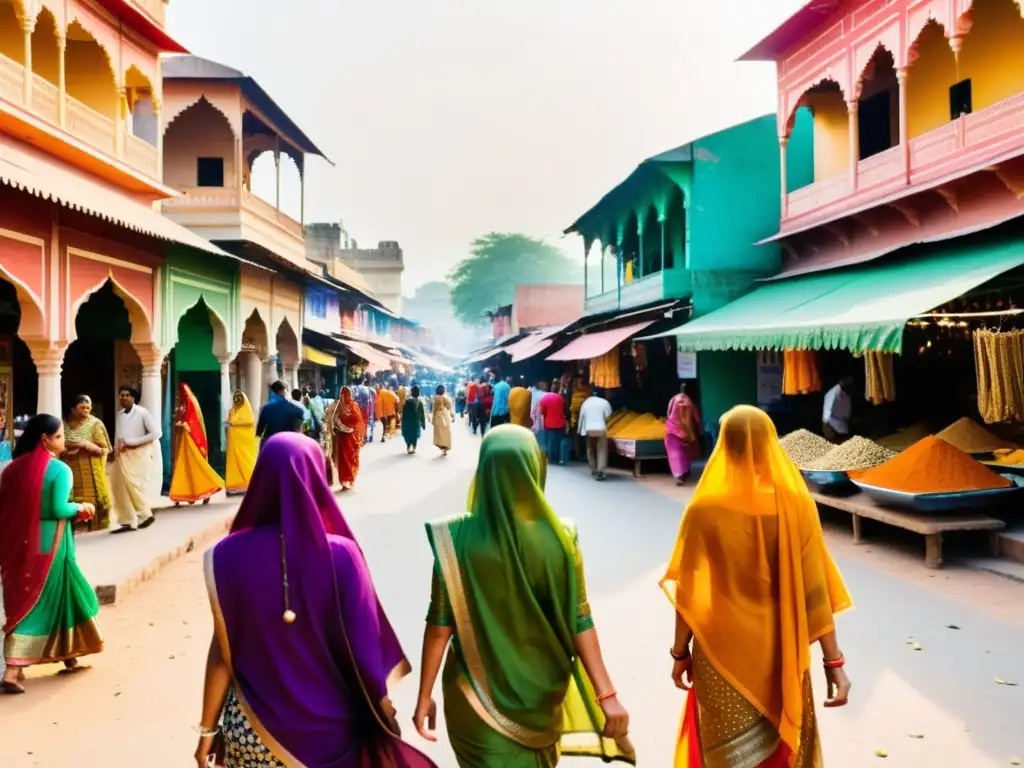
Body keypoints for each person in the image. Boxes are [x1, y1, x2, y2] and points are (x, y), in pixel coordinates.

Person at [194, 433, 435, 768]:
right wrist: (385, 717)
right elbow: (365, 653)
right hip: (332, 737)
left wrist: (207, 729)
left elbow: (223, 648)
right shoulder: (342, 555)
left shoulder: (224, 556)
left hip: (252, 733)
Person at [413, 426, 634, 765]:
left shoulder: (453, 538)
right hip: (542, 698)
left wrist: (424, 695)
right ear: (536, 468)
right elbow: (580, 619)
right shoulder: (561, 539)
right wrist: (607, 695)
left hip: (473, 698)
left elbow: (440, 624)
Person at [662, 406, 853, 766]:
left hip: (720, 658)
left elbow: (689, 596)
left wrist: (679, 654)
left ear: (724, 447)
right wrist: (834, 662)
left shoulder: (704, 509)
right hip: (781, 653)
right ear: (770, 445)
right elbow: (816, 591)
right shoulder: (797, 506)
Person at [1, 415, 103, 693]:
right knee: (42, 599)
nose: (63, 440)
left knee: (42, 595)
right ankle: (13, 668)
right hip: (52, 545)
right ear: (44, 439)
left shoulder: (12, 469)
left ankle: (69, 655)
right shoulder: (59, 470)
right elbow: (58, 509)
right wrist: (82, 507)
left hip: (19, 544)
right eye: (58, 436)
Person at [110, 386, 162, 534]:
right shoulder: (120, 414)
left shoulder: (142, 413)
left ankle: (145, 515)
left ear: (133, 398)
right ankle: (126, 520)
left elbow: (156, 433)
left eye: (127, 395)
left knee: (133, 486)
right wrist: (115, 450)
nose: (123, 398)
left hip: (137, 455)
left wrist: (133, 442)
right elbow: (118, 435)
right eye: (121, 395)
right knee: (118, 487)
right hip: (121, 455)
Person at [169, 383, 225, 506]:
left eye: (180, 392)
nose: (178, 395)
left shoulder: (191, 403)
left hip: (190, 442)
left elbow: (194, 422)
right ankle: (184, 495)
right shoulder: (182, 405)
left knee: (195, 468)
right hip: (182, 441)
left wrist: (184, 425)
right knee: (182, 468)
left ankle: (208, 489)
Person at [62, 395, 112, 530]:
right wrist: (67, 450)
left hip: (90, 471)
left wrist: (87, 446)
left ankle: (94, 529)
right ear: (72, 409)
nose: (86, 410)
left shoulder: (95, 424)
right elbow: (57, 444)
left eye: (88, 408)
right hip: (69, 468)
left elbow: (104, 450)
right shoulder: (63, 424)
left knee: (92, 500)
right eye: (82, 407)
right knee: (70, 499)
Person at [324, 387, 364, 491]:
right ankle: (349, 480)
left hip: (340, 437)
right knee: (350, 458)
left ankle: (344, 482)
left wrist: (341, 428)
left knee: (342, 460)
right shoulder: (353, 405)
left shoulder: (335, 406)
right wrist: (350, 428)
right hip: (351, 437)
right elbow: (358, 420)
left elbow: (329, 419)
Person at [665, 383, 704, 486]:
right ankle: (683, 473)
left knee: (676, 454)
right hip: (684, 431)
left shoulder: (674, 399)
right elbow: (693, 419)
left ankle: (680, 475)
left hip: (672, 430)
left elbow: (668, 413)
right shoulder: (688, 402)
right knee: (684, 453)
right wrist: (696, 431)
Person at [225, 391, 257, 495]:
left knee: (246, 462)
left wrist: (234, 422)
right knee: (234, 463)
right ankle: (236, 484)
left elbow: (249, 421)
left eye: (239, 397)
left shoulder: (247, 411)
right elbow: (229, 421)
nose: (237, 399)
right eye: (235, 397)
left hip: (245, 444)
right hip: (234, 443)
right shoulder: (232, 411)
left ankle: (252, 482)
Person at [578, 388, 613, 481]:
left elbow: (581, 416)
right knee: (601, 450)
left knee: (590, 449)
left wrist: (579, 430)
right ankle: (600, 471)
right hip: (601, 428)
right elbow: (608, 416)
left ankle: (593, 469)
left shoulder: (586, 402)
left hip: (588, 429)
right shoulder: (605, 402)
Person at [255, 381, 304, 448]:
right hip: (288, 445)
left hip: (270, 444)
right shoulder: (297, 410)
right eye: (287, 390)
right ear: (283, 390)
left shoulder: (266, 408)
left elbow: (259, 431)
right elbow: (298, 431)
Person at [537, 383, 568, 464]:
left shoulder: (544, 398)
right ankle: (558, 458)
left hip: (549, 424)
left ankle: (550, 459)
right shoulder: (561, 398)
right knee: (558, 442)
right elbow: (565, 410)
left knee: (550, 442)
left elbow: (542, 412)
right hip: (560, 424)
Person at [822, 373, 854, 443]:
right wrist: (827, 428)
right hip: (832, 424)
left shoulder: (847, 392)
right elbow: (827, 413)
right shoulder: (834, 393)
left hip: (843, 421)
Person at [401, 385, 427, 455]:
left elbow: (404, 413)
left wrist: (402, 422)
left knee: (408, 436)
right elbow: (422, 415)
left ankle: (408, 446)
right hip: (416, 423)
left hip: (407, 423)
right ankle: (413, 447)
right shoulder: (420, 402)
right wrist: (423, 424)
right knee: (415, 436)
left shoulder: (407, 401)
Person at [431, 385, 453, 457]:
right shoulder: (446, 397)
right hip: (445, 414)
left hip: (438, 415)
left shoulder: (436, 398)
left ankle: (442, 447)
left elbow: (434, 408)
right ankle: (445, 448)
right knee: (446, 431)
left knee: (439, 432)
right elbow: (449, 406)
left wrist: (433, 418)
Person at [353, 378, 376, 444]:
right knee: (365, 423)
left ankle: (358, 437)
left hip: (356, 408)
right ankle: (364, 437)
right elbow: (370, 401)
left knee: (357, 422)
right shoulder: (368, 389)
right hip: (365, 408)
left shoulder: (354, 389)